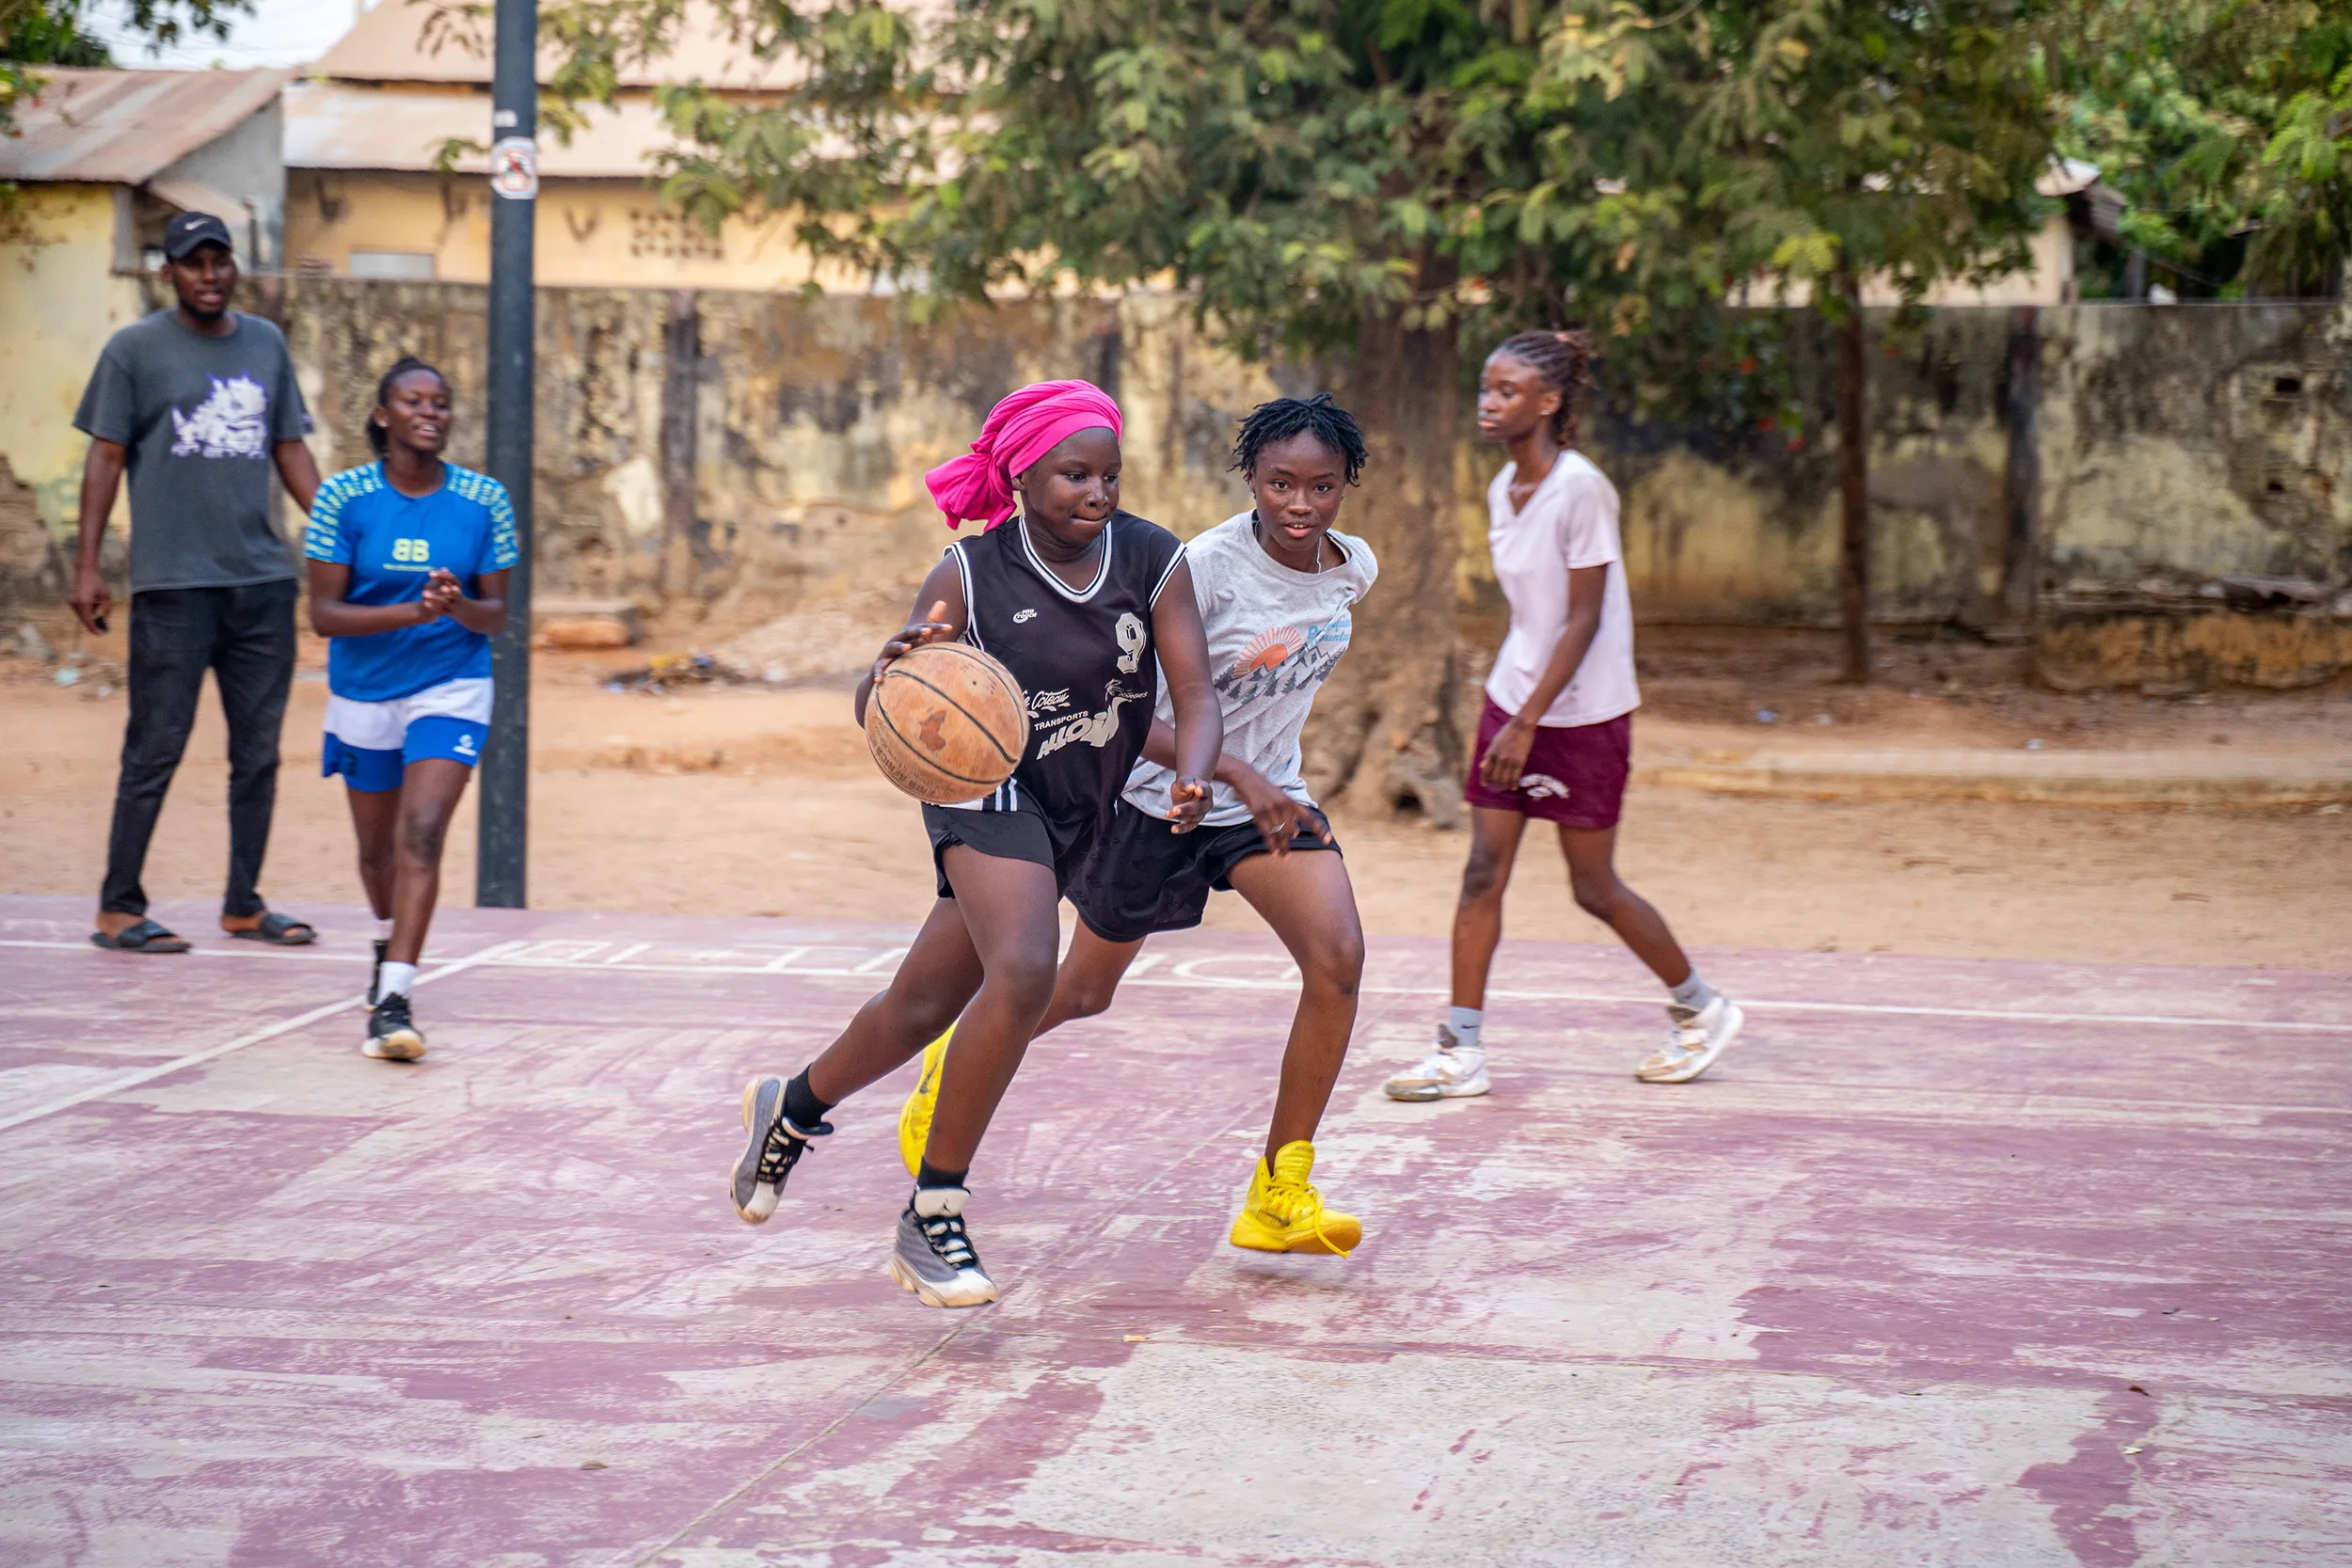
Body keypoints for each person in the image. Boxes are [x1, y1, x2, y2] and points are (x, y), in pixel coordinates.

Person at [729, 380, 1222, 1309]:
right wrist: (889, 670)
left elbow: (1192, 692)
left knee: (919, 1007)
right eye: (1075, 473)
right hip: (986, 790)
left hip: (1085, 799)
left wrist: (1195, 772)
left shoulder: (1153, 556)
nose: (1098, 489)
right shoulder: (967, 573)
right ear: (1023, 475)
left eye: (1109, 472)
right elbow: (888, 712)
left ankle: (789, 1106)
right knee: (1028, 969)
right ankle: (935, 1209)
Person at [897, 394, 1379, 1257]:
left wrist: (1249, 774)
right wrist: (1210, 765)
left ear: (1346, 487)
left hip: (1262, 799)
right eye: (1279, 484)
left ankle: (1280, 1189)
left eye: (1322, 487)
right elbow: (1115, 701)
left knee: (1338, 959)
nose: (1300, 505)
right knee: (1079, 991)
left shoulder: (1354, 569)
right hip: (1146, 795)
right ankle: (952, 1068)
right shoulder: (1201, 565)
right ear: (1251, 481)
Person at [1384, 330, 1741, 1101]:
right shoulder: (1499, 488)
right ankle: (1461, 1049)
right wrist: (1509, 710)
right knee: (1482, 871)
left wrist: (1529, 724)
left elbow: (1583, 619)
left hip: (1581, 715)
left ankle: (1702, 1008)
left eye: (1506, 391)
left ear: (1548, 402)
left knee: (1593, 886)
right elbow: (1532, 615)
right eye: (1485, 387)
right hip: (1513, 698)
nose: (1488, 401)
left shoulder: (1582, 488)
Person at [71, 211, 323, 955]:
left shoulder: (265, 343)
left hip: (263, 583)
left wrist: (345, 529)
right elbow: (105, 460)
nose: (209, 275)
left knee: (260, 752)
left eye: (220, 261)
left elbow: (289, 449)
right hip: (174, 586)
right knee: (155, 747)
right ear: (168, 272)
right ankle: (119, 906)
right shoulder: (134, 351)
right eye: (193, 263)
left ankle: (244, 904)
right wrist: (88, 565)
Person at [303, 357, 516, 1060]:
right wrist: (410, 610)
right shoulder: (343, 498)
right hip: (364, 692)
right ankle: (387, 937)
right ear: (382, 415)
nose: (431, 411)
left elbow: (497, 617)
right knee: (376, 851)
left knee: (420, 833)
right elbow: (325, 616)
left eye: (442, 402)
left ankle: (393, 999)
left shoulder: (485, 501)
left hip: (453, 684)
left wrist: (456, 607)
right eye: (413, 400)